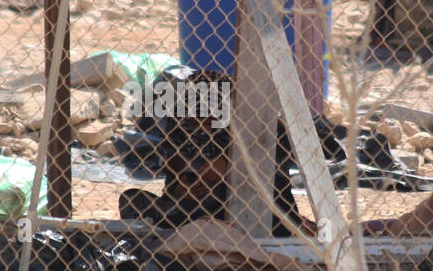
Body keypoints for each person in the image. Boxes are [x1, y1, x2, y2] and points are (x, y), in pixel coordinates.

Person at [118, 69, 312, 237]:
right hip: (190, 210)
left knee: (223, 200)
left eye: (211, 116)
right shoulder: (179, 131)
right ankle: (180, 236)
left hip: (237, 210)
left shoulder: (252, 131)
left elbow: (252, 181)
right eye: (195, 116)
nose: (202, 124)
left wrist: (220, 175)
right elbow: (174, 178)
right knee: (132, 199)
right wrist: (181, 190)